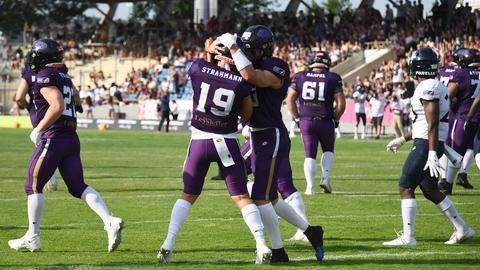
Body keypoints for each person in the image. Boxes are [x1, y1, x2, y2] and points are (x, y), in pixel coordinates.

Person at [215, 25, 324, 262]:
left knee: (261, 197)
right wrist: (218, 48)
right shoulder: (244, 61)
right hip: (254, 135)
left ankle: (278, 251)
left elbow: (251, 76)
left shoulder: (278, 66)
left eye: (250, 49)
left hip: (270, 135)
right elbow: (217, 60)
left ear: (263, 49)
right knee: (267, 195)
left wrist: (234, 49)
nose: (246, 52)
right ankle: (311, 231)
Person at [157, 44, 271, 264]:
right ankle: (261, 244)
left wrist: (208, 51)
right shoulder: (241, 83)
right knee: (241, 197)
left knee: (188, 195)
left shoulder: (200, 68)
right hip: (226, 142)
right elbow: (247, 113)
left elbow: (202, 64)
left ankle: (168, 244)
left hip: (199, 141)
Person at [8, 39, 123, 252]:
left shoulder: (45, 76)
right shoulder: (64, 76)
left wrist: (38, 128)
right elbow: (75, 98)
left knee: (32, 186)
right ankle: (109, 221)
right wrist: (76, 107)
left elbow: (57, 105)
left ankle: (32, 237)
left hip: (53, 137)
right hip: (71, 137)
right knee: (77, 186)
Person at [384, 48, 475, 246]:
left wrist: (432, 153)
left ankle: (408, 237)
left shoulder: (428, 86)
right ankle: (462, 228)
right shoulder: (433, 84)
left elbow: (432, 122)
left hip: (428, 145)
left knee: (405, 185)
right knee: (429, 189)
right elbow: (425, 124)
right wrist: (401, 140)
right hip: (430, 142)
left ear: (418, 66)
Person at [286, 51, 346, 195]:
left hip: (306, 120)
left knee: (309, 154)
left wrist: (297, 117)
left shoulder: (300, 76)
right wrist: (336, 119)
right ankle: (325, 177)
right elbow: (341, 104)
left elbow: (289, 100)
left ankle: (310, 187)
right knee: (328, 150)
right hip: (325, 120)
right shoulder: (332, 78)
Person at [15, 50, 59, 191]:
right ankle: (53, 178)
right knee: (55, 144)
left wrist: (28, 107)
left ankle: (50, 180)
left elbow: (19, 97)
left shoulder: (28, 73)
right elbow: (74, 94)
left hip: (38, 113)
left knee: (42, 145)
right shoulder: (54, 71)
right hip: (56, 114)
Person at [439, 48, 480, 194]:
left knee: (453, 150)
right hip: (475, 116)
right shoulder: (478, 73)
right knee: (469, 149)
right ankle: (451, 180)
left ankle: (447, 183)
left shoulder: (461, 73)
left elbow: (448, 93)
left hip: (461, 116)